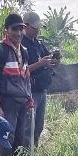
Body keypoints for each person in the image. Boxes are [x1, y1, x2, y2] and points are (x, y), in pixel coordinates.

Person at [0, 13, 35, 156]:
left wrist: (30, 100)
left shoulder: (24, 51)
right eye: (15, 29)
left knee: (21, 141)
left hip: (22, 102)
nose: (19, 33)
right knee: (7, 139)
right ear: (6, 31)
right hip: (7, 103)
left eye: (21, 29)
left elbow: (26, 77)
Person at [21, 11, 60, 144]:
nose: (37, 31)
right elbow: (19, 70)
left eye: (38, 28)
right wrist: (40, 64)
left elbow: (47, 59)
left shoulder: (38, 43)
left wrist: (54, 61)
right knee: (28, 128)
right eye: (34, 28)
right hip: (29, 91)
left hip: (41, 89)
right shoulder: (20, 45)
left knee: (38, 126)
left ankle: (34, 152)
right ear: (25, 26)